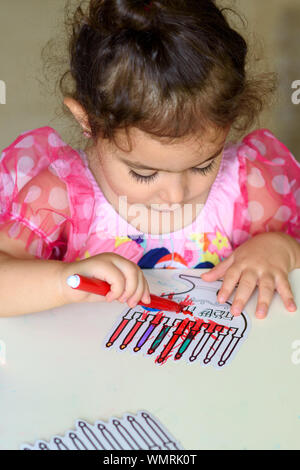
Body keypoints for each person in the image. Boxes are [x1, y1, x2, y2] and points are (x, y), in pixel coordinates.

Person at [0, 0, 299, 318]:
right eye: (144, 173)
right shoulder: (60, 197)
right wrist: (62, 282)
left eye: (203, 165)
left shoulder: (249, 185)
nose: (176, 195)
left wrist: (279, 249)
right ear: (87, 121)